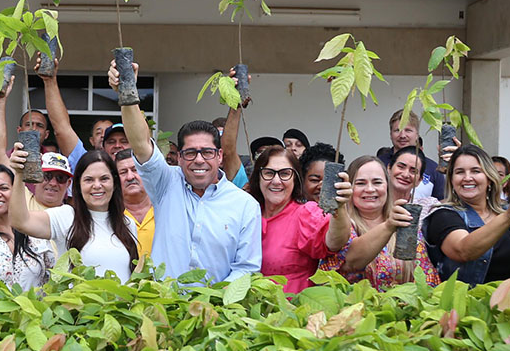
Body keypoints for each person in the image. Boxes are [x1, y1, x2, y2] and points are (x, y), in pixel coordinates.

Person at [109, 58, 261, 283]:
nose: (199, 160)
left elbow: (246, 268)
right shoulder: (166, 183)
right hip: (165, 310)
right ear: (179, 158)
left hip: (217, 313)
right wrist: (127, 93)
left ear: (219, 156)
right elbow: (141, 143)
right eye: (190, 153)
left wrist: (213, 302)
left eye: (207, 152)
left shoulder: (245, 205)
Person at [8, 146, 138, 280]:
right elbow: (20, 222)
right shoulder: (66, 216)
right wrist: (18, 175)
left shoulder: (128, 224)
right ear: (78, 186)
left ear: (115, 183)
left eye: (104, 179)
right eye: (89, 180)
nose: (97, 185)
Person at [424, 145, 510, 286]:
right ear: (452, 180)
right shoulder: (443, 215)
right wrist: (508, 217)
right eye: (460, 172)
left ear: (489, 178)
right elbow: (463, 251)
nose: (467, 178)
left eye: (476, 171)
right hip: (463, 304)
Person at [320, 156, 439, 290]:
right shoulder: (341, 225)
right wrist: (389, 226)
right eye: (360, 183)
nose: (370, 189)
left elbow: (426, 276)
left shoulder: (402, 221)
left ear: (387, 186)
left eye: (377, 182)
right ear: (348, 188)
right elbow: (350, 262)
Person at [247, 147, 351, 292]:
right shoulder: (247, 213)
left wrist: (339, 207)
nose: (276, 181)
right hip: (247, 310)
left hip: (293, 310)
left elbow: (334, 242)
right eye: (269, 173)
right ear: (258, 177)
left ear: (295, 178)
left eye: (285, 174)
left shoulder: (305, 214)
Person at [377, 110, 445, 200]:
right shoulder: (378, 164)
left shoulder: (433, 168)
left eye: (408, 130)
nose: (402, 135)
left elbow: (441, 203)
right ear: (390, 134)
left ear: (417, 135)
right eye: (397, 130)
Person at [115, 150, 154, 258]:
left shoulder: (164, 210)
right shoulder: (112, 217)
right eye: (123, 172)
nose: (130, 177)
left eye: (135, 170)